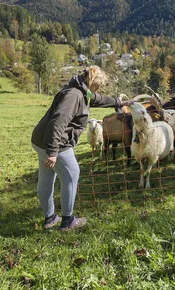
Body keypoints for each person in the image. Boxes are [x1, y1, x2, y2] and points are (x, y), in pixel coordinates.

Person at [31, 66, 131, 231]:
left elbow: (97, 99)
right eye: (99, 86)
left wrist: (118, 102)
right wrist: (53, 151)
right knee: (71, 175)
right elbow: (58, 122)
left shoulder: (80, 89)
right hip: (56, 143)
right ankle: (67, 221)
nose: (99, 89)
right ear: (93, 84)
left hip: (40, 140)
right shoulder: (74, 95)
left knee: (46, 177)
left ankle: (50, 218)